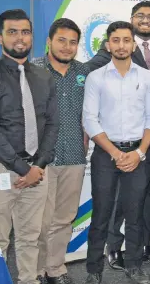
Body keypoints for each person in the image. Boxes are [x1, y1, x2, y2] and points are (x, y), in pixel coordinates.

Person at [0, 9, 58, 284]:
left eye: (25, 32)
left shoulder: (44, 77)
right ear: (0, 37)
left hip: (36, 170)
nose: (20, 38)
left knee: (30, 238)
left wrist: (38, 166)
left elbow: (52, 125)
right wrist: (23, 169)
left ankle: (28, 280)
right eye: (12, 32)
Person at [86, 0, 150, 269]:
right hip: (112, 146)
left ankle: (140, 251)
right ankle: (110, 251)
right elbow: (90, 111)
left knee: (141, 198)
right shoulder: (102, 66)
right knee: (109, 206)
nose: (146, 20)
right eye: (140, 16)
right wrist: (117, 152)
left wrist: (140, 152)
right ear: (110, 43)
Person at [32, 17, 90, 284]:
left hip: (75, 156)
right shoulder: (32, 70)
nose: (67, 47)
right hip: (39, 160)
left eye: (73, 42)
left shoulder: (84, 73)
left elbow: (90, 113)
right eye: (61, 40)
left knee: (64, 218)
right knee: (38, 221)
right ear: (49, 42)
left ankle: (55, 268)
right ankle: (35, 270)